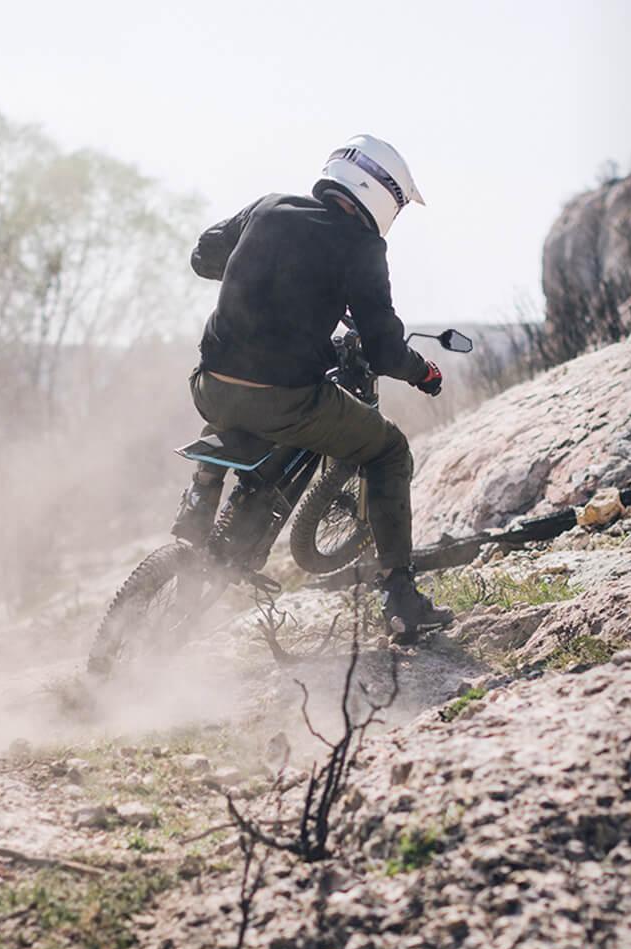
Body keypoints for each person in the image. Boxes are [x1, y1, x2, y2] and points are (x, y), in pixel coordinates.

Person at [171, 134, 454, 641]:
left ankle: (202, 497)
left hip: (208, 383)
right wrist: (423, 372)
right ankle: (401, 598)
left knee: (247, 407)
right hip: (283, 400)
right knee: (388, 450)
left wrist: (264, 277)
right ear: (381, 193)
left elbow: (203, 256)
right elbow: (385, 350)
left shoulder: (270, 206)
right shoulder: (362, 246)